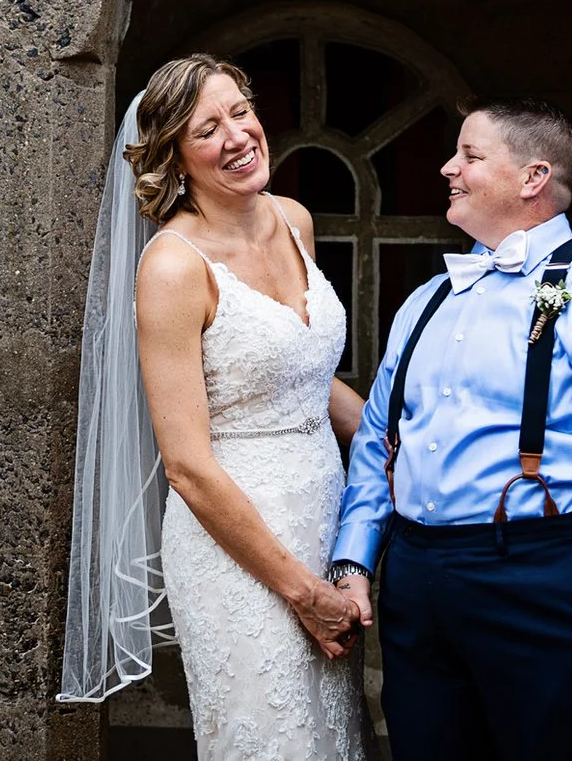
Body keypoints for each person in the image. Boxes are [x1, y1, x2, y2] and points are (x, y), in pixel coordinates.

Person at [328, 99, 572, 761]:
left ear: (533, 177)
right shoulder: (425, 301)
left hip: (546, 578)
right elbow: (380, 439)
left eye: (470, 155)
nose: (448, 167)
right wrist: (357, 559)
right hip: (417, 586)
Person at [58, 54, 369, 760]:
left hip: (325, 520)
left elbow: (304, 374)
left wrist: (400, 440)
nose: (236, 135)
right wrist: (302, 590)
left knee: (333, 737)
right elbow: (189, 466)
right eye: (207, 129)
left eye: (241, 111)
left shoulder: (294, 219)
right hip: (238, 545)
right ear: (174, 159)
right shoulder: (172, 266)